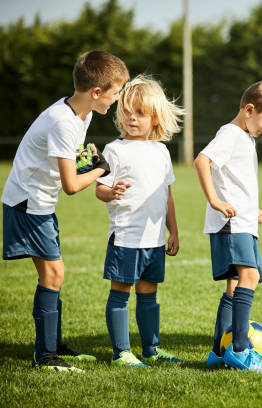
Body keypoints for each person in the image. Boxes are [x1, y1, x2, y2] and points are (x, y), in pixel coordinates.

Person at [1, 50, 129, 372]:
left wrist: (89, 160)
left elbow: (70, 162)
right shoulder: (62, 122)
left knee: (54, 274)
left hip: (40, 202)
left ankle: (55, 348)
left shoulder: (81, 114)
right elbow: (71, 185)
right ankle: (46, 357)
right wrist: (101, 170)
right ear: (96, 92)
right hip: (27, 203)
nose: (116, 100)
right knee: (53, 274)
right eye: (115, 93)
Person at [194, 80, 262, 372]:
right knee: (249, 277)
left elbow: (236, 180)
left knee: (234, 285)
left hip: (241, 221)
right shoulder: (232, 133)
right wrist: (214, 200)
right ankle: (240, 349)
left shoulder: (245, 137)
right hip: (232, 224)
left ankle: (218, 352)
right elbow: (202, 160)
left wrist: (251, 209)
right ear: (249, 109)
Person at [95, 75, 185, 368]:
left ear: (156, 118)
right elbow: (100, 189)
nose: (132, 118)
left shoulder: (161, 151)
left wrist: (173, 230)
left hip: (155, 240)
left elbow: (167, 195)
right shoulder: (114, 150)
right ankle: (121, 352)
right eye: (127, 112)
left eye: (140, 113)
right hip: (126, 238)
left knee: (149, 294)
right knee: (121, 294)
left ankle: (151, 349)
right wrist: (112, 191)